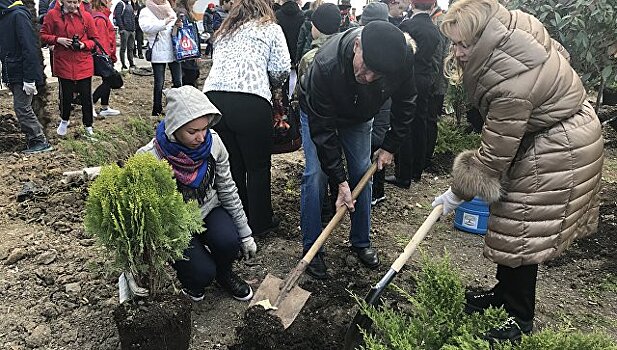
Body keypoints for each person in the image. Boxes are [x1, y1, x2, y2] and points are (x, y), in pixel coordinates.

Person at [432, 0, 604, 342]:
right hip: (551, 133)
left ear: (482, 37)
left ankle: (519, 318)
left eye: (463, 44)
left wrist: (455, 194)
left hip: (559, 146)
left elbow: (493, 156)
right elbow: (559, 57)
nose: (457, 52)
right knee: (511, 220)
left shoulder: (508, 77)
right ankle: (504, 293)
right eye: (453, 43)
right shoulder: (513, 30)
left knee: (522, 227)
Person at [299, 21, 416, 279]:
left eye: (378, 74)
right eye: (367, 68)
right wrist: (339, 181)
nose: (369, 78)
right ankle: (312, 249)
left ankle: (361, 241)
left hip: (360, 117)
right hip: (318, 113)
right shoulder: (326, 65)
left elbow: (406, 102)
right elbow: (324, 133)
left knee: (363, 170)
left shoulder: (401, 58)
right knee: (315, 175)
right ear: (356, 46)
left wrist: (390, 146)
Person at [137, 86, 257, 302]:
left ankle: (224, 274)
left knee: (229, 241)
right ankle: (192, 282)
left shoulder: (214, 144)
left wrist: (245, 233)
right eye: (192, 132)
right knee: (202, 272)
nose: (201, 137)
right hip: (174, 224)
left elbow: (228, 188)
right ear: (174, 128)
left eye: (204, 128)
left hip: (208, 209)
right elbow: (144, 213)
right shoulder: (150, 158)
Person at [203, 0, 290, 237]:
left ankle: (238, 221)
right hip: (251, 100)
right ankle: (260, 222)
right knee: (258, 166)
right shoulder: (271, 29)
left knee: (233, 166)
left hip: (214, 100)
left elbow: (216, 62)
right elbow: (282, 68)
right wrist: (273, 86)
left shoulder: (224, 30)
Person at [389, 0, 440, 188]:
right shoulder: (434, 29)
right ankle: (417, 170)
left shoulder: (407, 26)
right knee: (421, 122)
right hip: (425, 78)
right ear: (432, 6)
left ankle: (403, 174)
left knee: (405, 124)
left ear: (412, 3)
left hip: (409, 78)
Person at [41, 0, 101, 136]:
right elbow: (43, 35)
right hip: (63, 61)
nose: (73, 5)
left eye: (76, 2)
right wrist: (58, 40)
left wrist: (83, 45)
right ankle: (64, 120)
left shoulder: (86, 17)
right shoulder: (52, 15)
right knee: (66, 95)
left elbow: (94, 40)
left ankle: (88, 126)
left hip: (83, 62)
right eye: (70, 2)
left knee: (86, 96)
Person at [0, 0, 53, 154]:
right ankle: (34, 139)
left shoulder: (18, 15)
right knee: (22, 107)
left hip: (22, 72)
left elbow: (30, 48)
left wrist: (30, 78)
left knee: (22, 108)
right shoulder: (5, 17)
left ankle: (39, 140)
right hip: (14, 71)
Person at [139, 0, 182, 117]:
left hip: (174, 49)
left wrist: (178, 26)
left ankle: (178, 109)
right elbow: (146, 28)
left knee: (178, 81)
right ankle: (156, 109)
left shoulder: (168, 8)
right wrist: (164, 22)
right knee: (159, 83)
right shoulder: (146, 10)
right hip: (158, 49)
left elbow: (173, 28)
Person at [91, 0, 122, 117]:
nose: (112, 3)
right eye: (109, 1)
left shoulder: (101, 16)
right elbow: (103, 40)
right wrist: (109, 56)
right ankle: (91, 102)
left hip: (103, 54)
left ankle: (105, 107)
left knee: (106, 80)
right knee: (109, 80)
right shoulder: (100, 18)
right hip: (103, 55)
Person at [175, 0, 200, 87]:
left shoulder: (188, 12)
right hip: (187, 50)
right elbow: (177, 33)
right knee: (190, 75)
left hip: (189, 49)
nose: (194, 4)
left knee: (191, 74)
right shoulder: (182, 13)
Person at [114, 0, 136, 70]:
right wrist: (122, 28)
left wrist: (134, 28)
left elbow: (133, 16)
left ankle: (131, 63)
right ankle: (123, 64)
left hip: (131, 30)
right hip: (125, 30)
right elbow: (118, 16)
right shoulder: (121, 4)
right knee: (123, 48)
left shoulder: (129, 5)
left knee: (131, 48)